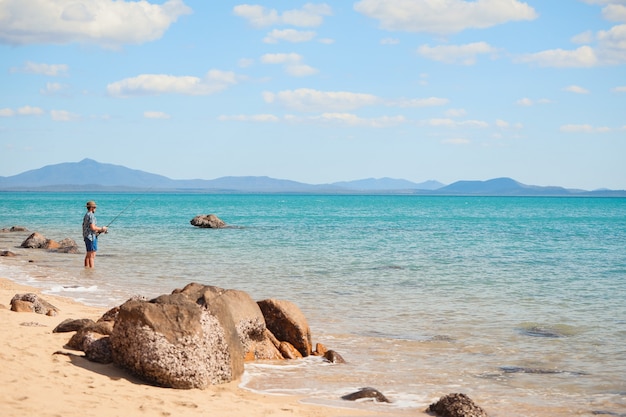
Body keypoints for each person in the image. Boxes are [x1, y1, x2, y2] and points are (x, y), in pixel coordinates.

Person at [82, 200, 107, 268]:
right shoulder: (91, 215)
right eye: (95, 207)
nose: (95, 209)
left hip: (86, 236)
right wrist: (102, 229)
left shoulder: (86, 215)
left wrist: (99, 231)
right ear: (91, 208)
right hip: (91, 237)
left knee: (88, 254)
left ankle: (86, 269)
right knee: (92, 255)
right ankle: (91, 271)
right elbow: (92, 227)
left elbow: (88, 227)